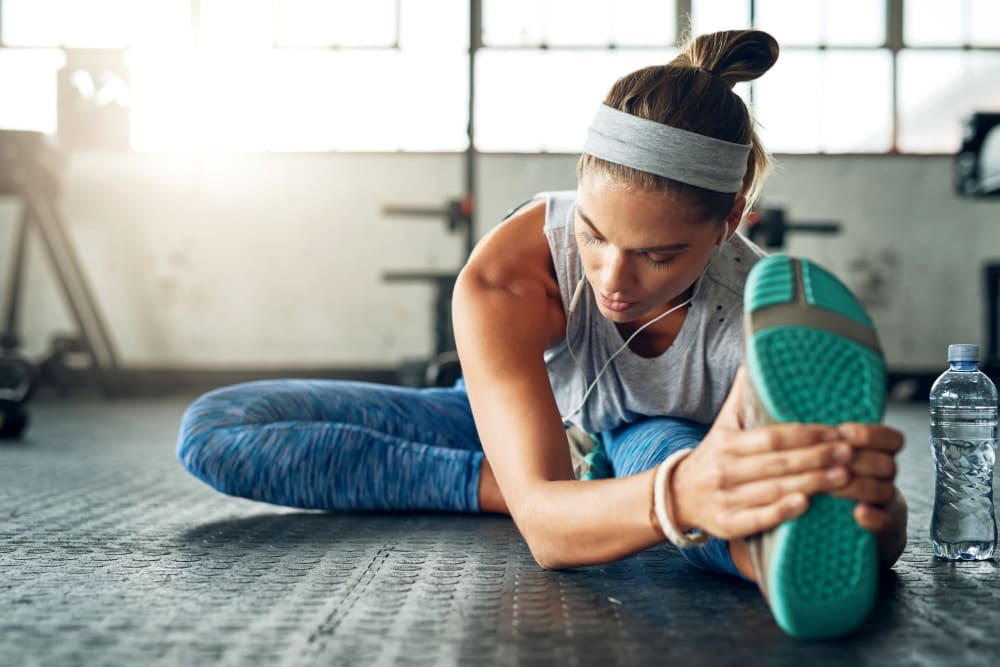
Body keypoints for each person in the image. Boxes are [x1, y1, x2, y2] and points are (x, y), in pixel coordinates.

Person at [177, 29, 907, 639]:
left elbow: (764, 483)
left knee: (689, 465)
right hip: (508, 423)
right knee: (216, 428)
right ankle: (543, 487)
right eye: (593, 234)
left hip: (656, 444)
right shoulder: (507, 273)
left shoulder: (755, 316)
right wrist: (550, 495)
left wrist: (872, 512)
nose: (614, 278)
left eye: (659, 255)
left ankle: (760, 549)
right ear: (577, 192)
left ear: (730, 218)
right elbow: (551, 535)